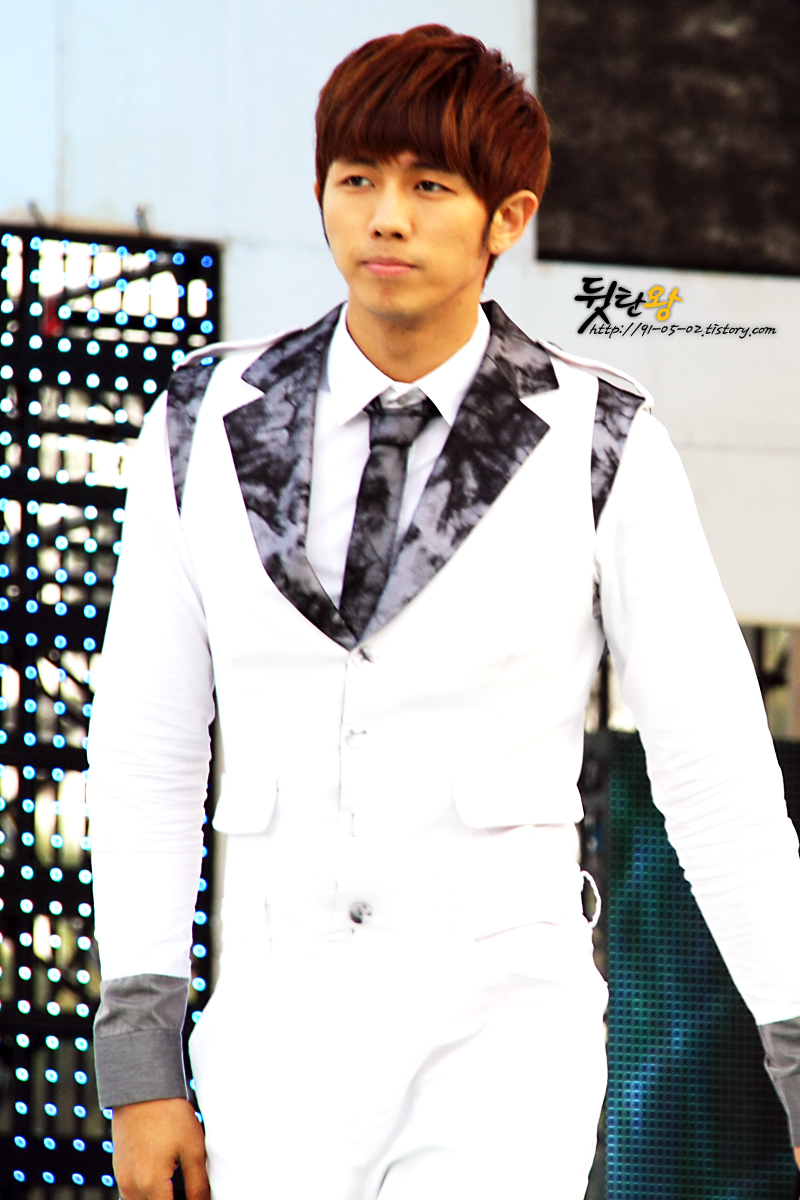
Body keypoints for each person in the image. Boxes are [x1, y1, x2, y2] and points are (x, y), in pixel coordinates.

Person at [87, 23, 800, 1200]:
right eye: (355, 179)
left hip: (502, 1037)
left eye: (428, 187)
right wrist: (139, 1064)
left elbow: (711, 766)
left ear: (505, 217)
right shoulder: (201, 422)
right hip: (273, 1035)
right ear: (319, 194)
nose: (385, 218)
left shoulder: (599, 438)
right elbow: (148, 744)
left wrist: (793, 1040)